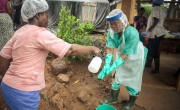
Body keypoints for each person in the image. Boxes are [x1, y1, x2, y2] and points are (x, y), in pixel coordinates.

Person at [0, 0, 100, 109]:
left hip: (7, 87)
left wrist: (5, 76)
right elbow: (70, 50)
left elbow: (4, 55)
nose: (48, 18)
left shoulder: (19, 32)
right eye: (46, 14)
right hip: (24, 92)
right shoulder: (40, 33)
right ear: (38, 15)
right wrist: (92, 48)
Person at [97, 9, 147, 110]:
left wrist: (112, 67)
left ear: (123, 21)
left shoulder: (132, 33)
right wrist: (107, 64)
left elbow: (126, 55)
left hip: (135, 58)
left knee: (134, 81)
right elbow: (110, 48)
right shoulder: (111, 32)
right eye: (111, 24)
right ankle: (113, 98)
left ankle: (130, 103)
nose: (113, 26)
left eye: (116, 23)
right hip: (121, 57)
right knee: (118, 78)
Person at [142, 0, 167, 73]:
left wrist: (148, 31)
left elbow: (156, 20)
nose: (151, 2)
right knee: (155, 50)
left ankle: (153, 67)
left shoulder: (156, 9)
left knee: (152, 50)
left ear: (155, 2)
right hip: (159, 33)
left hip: (155, 33)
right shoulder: (162, 9)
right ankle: (152, 66)